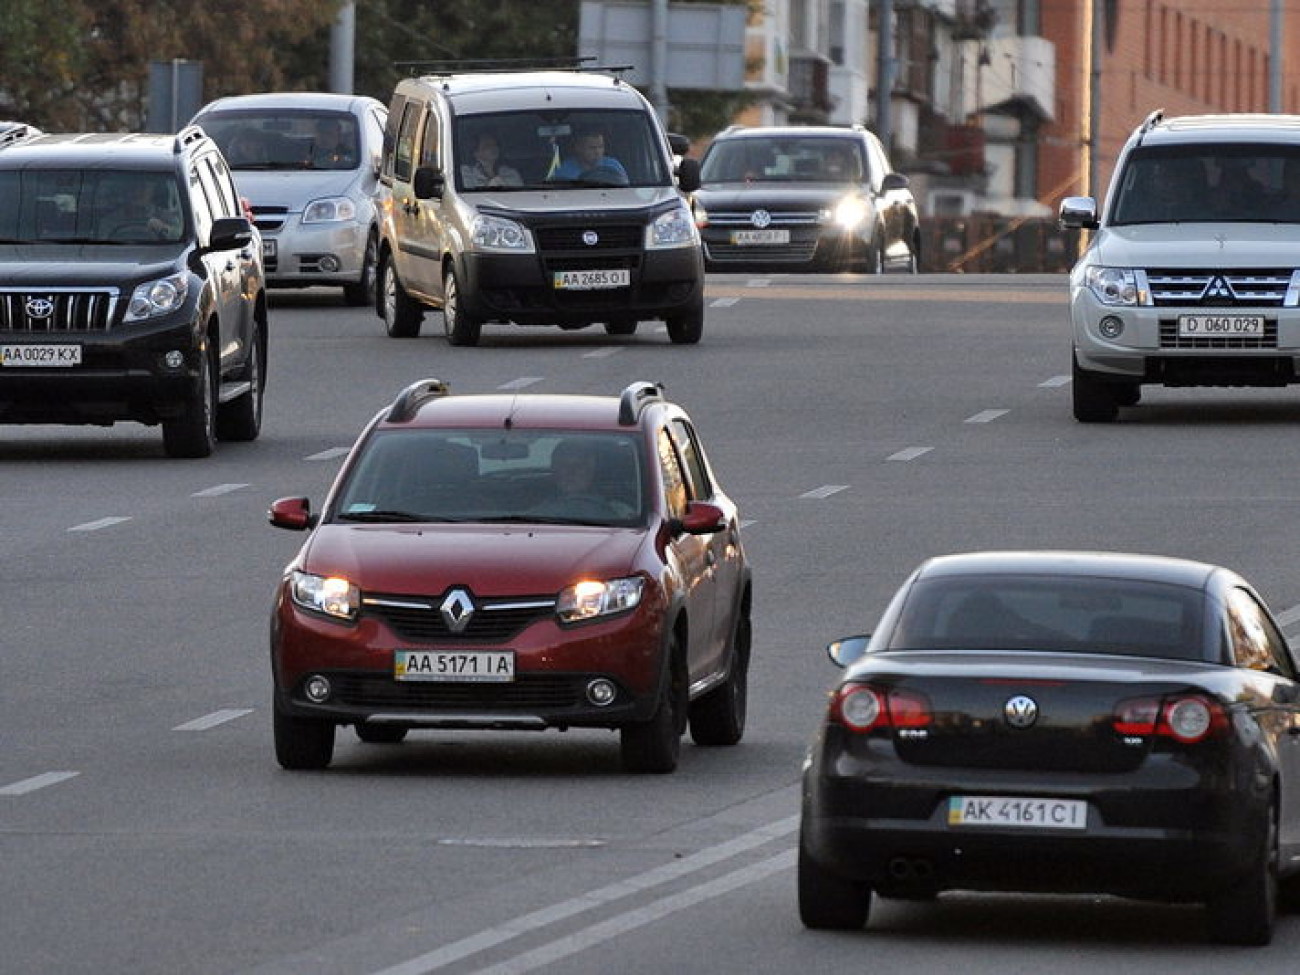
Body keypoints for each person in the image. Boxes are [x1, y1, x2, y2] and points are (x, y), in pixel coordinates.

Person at [551, 127, 628, 183]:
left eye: (601, 147)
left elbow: (626, 188)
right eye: (592, 148)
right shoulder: (565, 171)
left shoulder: (613, 165)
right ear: (578, 148)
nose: (597, 152)